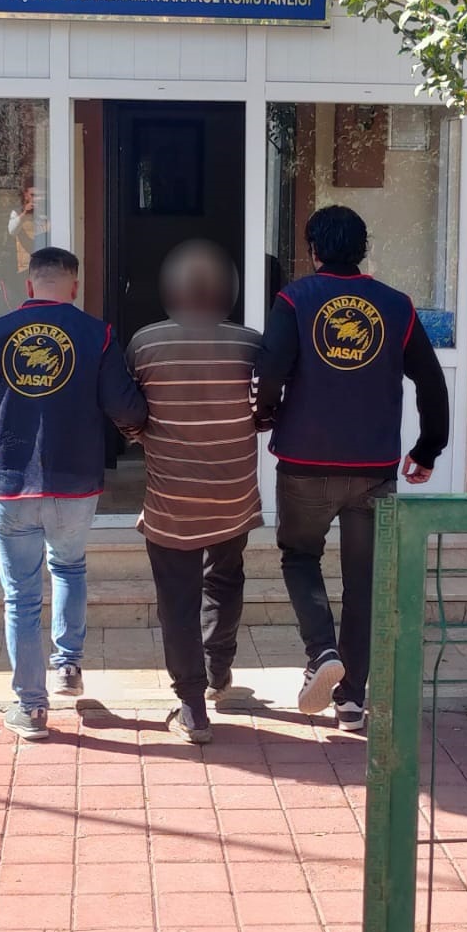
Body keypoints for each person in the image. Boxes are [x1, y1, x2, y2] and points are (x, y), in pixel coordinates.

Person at [256, 206, 449, 733]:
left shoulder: (295, 299)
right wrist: (428, 448)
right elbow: (431, 381)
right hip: (373, 467)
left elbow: (270, 370)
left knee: (300, 556)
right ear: (363, 249)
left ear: (313, 250)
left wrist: (265, 414)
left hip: (305, 462)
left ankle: (322, 652)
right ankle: (350, 701)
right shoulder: (396, 305)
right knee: (364, 581)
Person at [0, 246, 146, 741]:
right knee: (69, 567)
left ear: (30, 285)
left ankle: (31, 708)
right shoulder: (97, 334)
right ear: (74, 287)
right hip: (75, 486)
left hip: (10, 485)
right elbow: (125, 406)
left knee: (21, 596)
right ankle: (68, 667)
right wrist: (142, 430)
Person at [129, 241, 263, 746]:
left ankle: (192, 706)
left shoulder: (145, 343)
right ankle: (218, 671)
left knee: (177, 600)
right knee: (225, 580)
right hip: (233, 494)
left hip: (172, 503)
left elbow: (129, 410)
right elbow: (266, 409)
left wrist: (141, 435)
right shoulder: (251, 344)